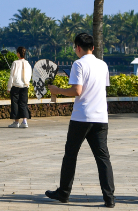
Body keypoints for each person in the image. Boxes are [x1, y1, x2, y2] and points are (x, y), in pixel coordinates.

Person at [45, 33, 115, 208]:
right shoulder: (103, 65)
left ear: (78, 47)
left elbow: (77, 91)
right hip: (101, 117)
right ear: (93, 47)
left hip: (82, 116)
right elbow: (100, 88)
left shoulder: (78, 64)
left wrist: (57, 89)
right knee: (102, 157)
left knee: (70, 155)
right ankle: (109, 198)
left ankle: (64, 193)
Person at [7, 46, 32, 128]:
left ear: (18, 53)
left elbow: (12, 76)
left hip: (16, 86)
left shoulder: (15, 63)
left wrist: (9, 87)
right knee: (23, 103)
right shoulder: (28, 63)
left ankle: (16, 122)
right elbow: (29, 75)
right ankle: (25, 121)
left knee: (15, 103)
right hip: (25, 86)